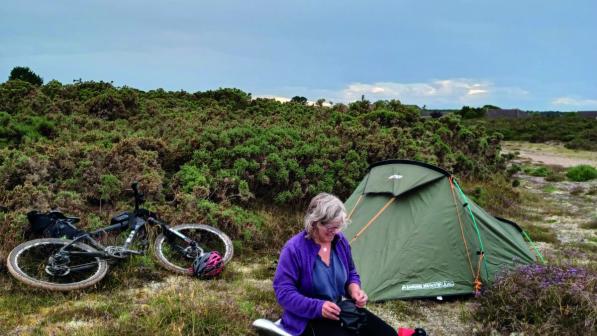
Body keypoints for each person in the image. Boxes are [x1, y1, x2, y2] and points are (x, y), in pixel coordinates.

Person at [273, 193, 396, 336]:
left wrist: (355, 290)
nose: (335, 232)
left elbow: (351, 273)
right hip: (307, 318)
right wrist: (318, 307)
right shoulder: (294, 249)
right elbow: (283, 292)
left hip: (339, 309)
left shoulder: (340, 242)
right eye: (330, 228)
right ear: (314, 222)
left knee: (389, 333)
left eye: (338, 227)